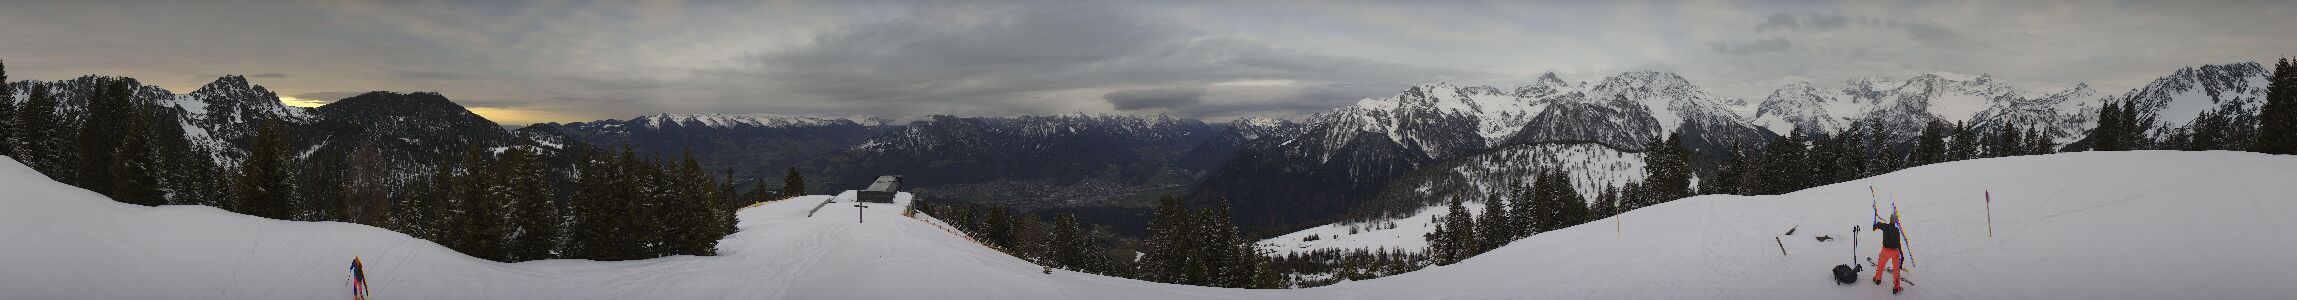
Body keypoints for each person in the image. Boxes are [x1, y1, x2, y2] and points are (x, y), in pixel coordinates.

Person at [1872, 214, 1904, 294]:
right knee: (1896, 270)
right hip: (1895, 252)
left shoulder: (1885, 226)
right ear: (1895, 221)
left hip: (1885, 251)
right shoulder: (1896, 230)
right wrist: (1901, 254)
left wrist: (1875, 225)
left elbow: (1875, 227)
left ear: (1890, 220)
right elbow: (1898, 243)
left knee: (1881, 265)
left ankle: (1877, 279)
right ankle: (1896, 288)